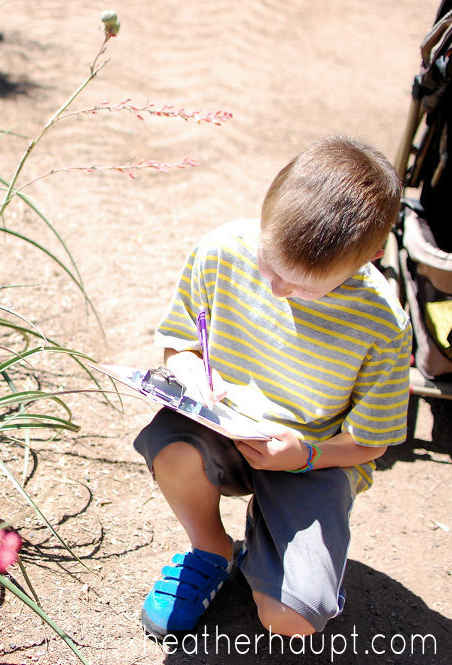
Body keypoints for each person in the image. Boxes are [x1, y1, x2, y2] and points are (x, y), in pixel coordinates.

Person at [133, 135, 411, 638]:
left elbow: (373, 440)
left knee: (293, 621)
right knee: (170, 446)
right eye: (268, 264)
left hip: (313, 455)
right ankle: (212, 549)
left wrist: (303, 456)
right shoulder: (222, 250)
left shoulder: (383, 324)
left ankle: (286, 556)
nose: (278, 289)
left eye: (304, 286)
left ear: (369, 257)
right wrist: (186, 366)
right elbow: (179, 341)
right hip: (222, 428)